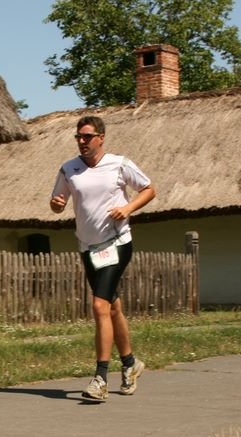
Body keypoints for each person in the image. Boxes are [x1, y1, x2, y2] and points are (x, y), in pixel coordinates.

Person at [50, 116, 156, 401]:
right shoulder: (68, 169)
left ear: (101, 137)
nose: (82, 141)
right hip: (88, 247)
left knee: (99, 305)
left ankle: (100, 378)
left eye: (87, 136)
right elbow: (56, 204)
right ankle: (132, 364)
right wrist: (56, 204)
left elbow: (149, 189)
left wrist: (128, 207)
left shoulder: (119, 164)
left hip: (117, 242)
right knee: (111, 308)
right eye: (78, 137)